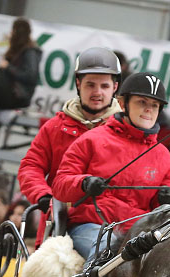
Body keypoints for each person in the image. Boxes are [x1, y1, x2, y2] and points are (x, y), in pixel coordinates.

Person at [52, 72, 170, 261]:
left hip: (138, 234)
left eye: (154, 105)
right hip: (91, 227)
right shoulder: (91, 140)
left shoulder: (165, 158)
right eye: (142, 102)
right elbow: (60, 185)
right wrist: (84, 183)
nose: (148, 110)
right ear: (122, 104)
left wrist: (167, 201)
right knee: (108, 253)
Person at [17, 47, 122, 215]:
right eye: (90, 85)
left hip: (107, 225)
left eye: (104, 86)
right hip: (59, 223)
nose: (97, 92)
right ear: (78, 84)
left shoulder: (124, 132)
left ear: (115, 87)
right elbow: (30, 166)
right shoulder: (55, 127)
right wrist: (43, 195)